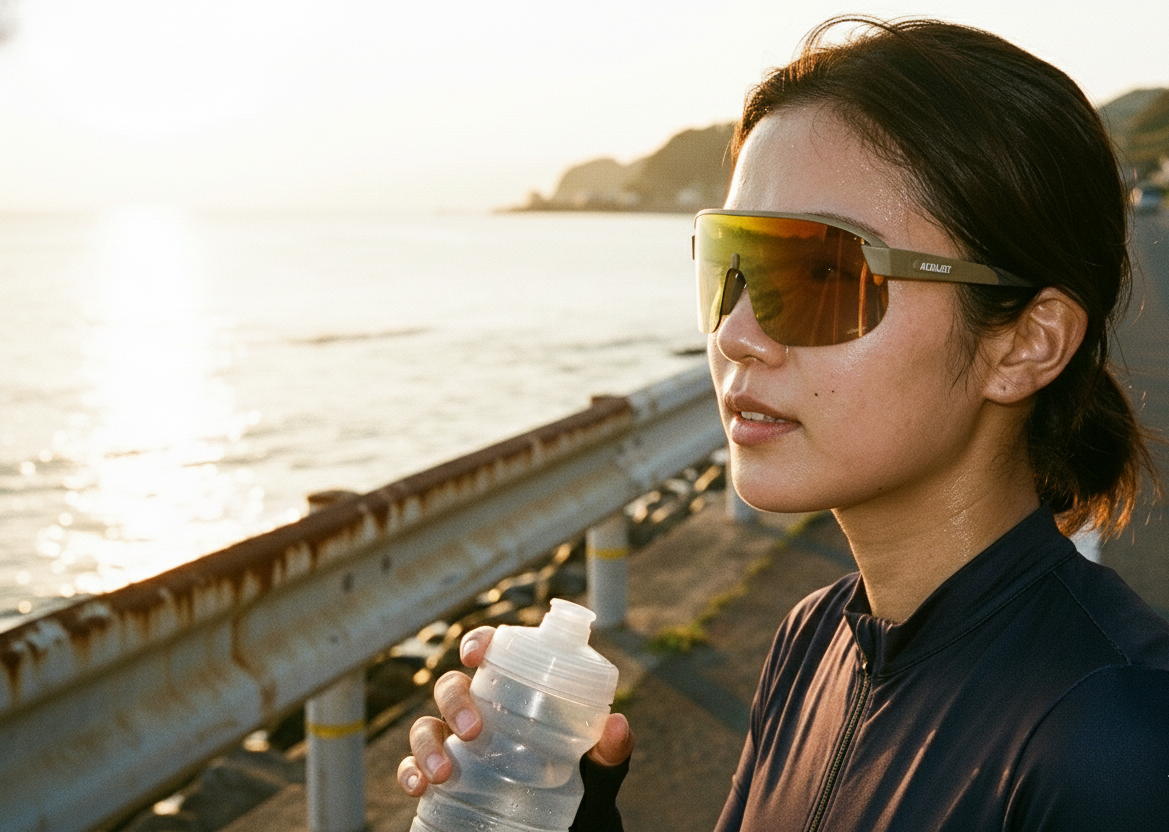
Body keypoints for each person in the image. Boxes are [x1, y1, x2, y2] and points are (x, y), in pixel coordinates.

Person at [398, 16, 1169, 830]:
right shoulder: (812, 640)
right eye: (728, 265)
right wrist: (563, 814)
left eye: (821, 274)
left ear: (1024, 344)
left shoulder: (1115, 741)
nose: (735, 333)